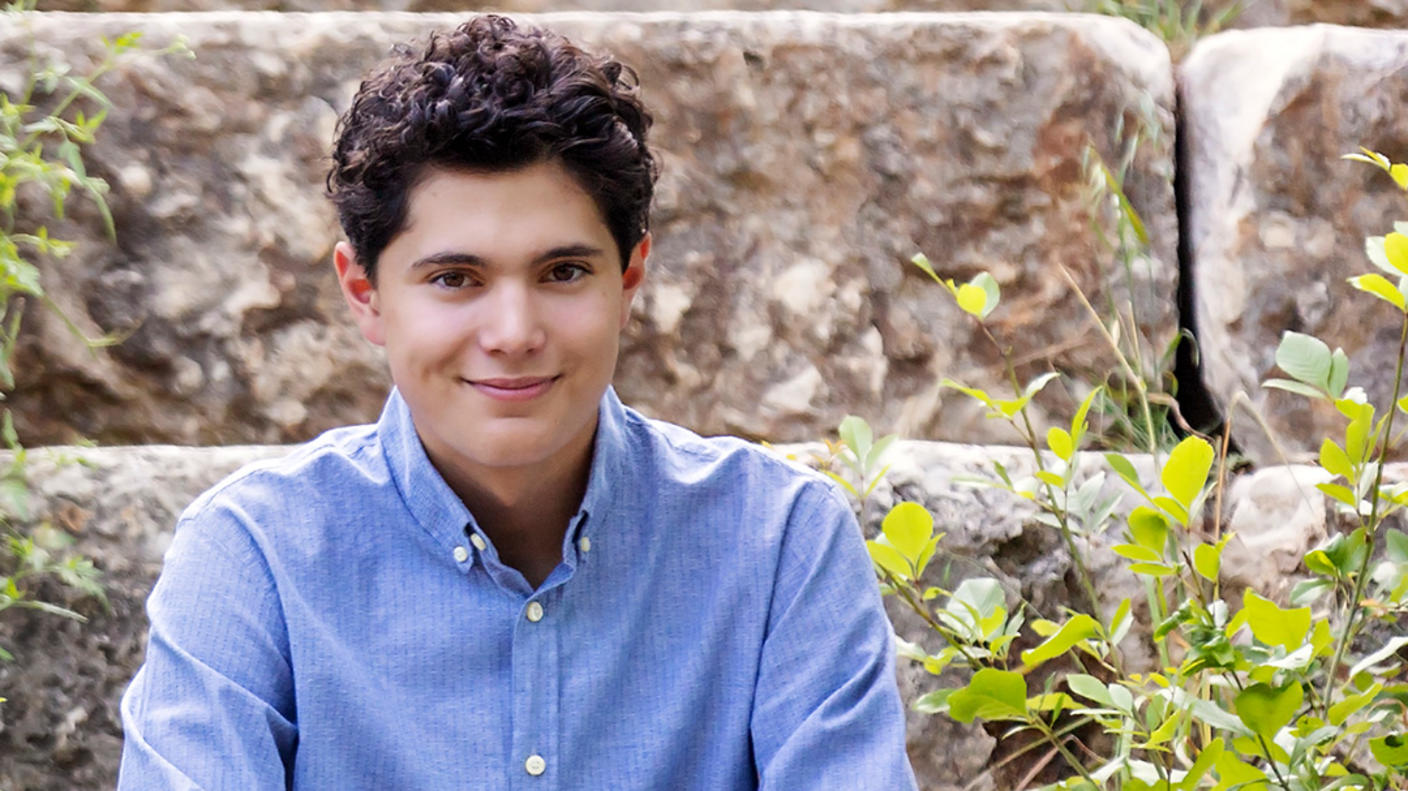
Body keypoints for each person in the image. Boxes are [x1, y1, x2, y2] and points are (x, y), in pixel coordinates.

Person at [117, 15, 917, 790]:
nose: (512, 332)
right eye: (454, 278)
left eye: (562, 271)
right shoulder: (253, 556)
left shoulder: (780, 544)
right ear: (364, 293)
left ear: (629, 281)